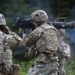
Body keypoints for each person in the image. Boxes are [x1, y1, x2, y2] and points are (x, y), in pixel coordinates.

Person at [23, 10, 59, 75]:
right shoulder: (53, 29)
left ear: (36, 21)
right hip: (54, 64)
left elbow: (26, 43)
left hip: (42, 65)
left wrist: (24, 33)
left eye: (33, 21)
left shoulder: (38, 30)